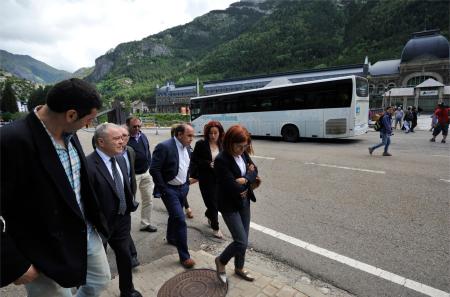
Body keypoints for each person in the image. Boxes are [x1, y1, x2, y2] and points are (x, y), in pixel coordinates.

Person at [0, 78, 111, 296]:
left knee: (99, 280)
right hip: (43, 248)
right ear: (71, 115)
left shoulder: (69, 131)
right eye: (89, 119)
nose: (88, 125)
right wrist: (14, 264)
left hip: (84, 234)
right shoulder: (10, 140)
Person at [87, 123, 141, 297]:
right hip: (99, 225)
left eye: (122, 138)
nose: (122, 142)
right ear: (101, 142)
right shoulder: (88, 165)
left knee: (124, 256)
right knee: (96, 266)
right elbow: (86, 200)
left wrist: (129, 205)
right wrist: (94, 223)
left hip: (122, 219)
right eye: (116, 138)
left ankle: (127, 290)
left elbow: (126, 183)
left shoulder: (119, 158)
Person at [214, 125, 259, 284]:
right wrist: (247, 179)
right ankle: (221, 260)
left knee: (244, 239)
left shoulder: (244, 153)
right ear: (230, 142)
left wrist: (246, 179)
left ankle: (239, 267)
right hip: (229, 205)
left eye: (245, 146)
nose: (242, 149)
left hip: (244, 201)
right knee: (240, 241)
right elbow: (232, 187)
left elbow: (255, 171)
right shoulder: (221, 160)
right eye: (239, 146)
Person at [150, 123, 196, 268]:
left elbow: (187, 165)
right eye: (189, 135)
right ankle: (184, 256)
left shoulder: (188, 147)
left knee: (175, 216)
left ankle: (171, 237)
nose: (192, 138)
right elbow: (154, 169)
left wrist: (187, 182)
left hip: (183, 188)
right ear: (179, 134)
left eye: (192, 135)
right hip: (169, 190)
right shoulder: (164, 146)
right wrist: (163, 189)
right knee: (180, 220)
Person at [190, 120, 225, 239]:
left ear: (220, 133)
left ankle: (208, 213)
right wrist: (208, 164)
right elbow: (194, 159)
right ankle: (215, 227)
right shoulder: (201, 144)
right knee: (212, 203)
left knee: (218, 202)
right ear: (207, 133)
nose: (213, 136)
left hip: (220, 178)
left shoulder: (223, 144)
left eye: (216, 133)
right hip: (206, 179)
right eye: (211, 133)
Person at [126, 117, 157, 232]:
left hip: (146, 173)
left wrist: (149, 164)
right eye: (134, 126)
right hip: (132, 176)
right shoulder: (125, 139)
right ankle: (125, 228)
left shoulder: (142, 136)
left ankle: (145, 224)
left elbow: (147, 151)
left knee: (148, 199)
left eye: (139, 126)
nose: (137, 128)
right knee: (129, 201)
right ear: (128, 126)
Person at [119, 126, 140, 268]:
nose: (122, 140)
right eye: (118, 137)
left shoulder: (131, 151)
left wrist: (132, 192)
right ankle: (131, 254)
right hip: (112, 196)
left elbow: (131, 174)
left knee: (123, 226)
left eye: (125, 136)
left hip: (127, 194)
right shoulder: (107, 154)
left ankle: (131, 255)